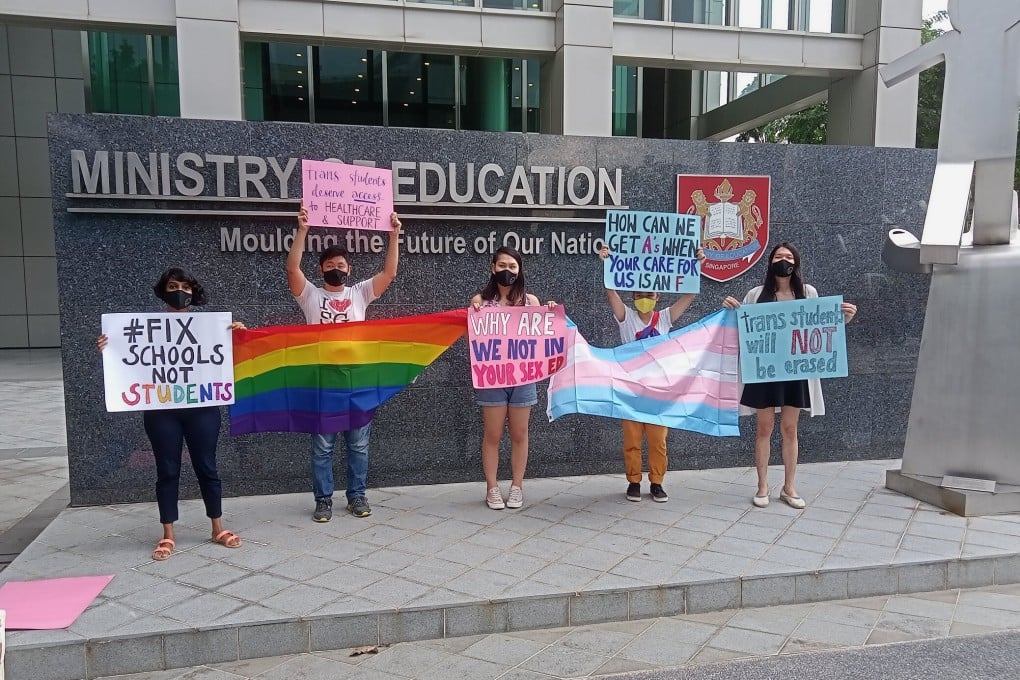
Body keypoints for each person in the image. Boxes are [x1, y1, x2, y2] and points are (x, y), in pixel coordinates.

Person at [97, 268, 244, 561]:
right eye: (174, 286)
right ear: (163, 291)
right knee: (167, 470)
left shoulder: (211, 327)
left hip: (202, 408)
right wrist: (110, 348)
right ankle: (168, 534)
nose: (180, 291)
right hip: (161, 411)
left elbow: (225, 360)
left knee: (207, 467)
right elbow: (130, 360)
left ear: (194, 292)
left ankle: (217, 527)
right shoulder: (142, 328)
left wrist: (239, 336)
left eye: (186, 287)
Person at [288, 203, 402, 521]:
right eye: (329, 264)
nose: (335, 268)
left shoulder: (359, 294)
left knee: (359, 443)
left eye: (341, 263)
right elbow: (291, 269)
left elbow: (389, 273)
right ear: (321, 270)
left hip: (358, 379)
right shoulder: (309, 295)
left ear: (349, 269)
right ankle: (323, 499)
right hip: (323, 378)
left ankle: (357, 495)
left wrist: (394, 235)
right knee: (322, 445)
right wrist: (302, 230)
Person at [722, 243, 856, 510]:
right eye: (778, 256)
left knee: (790, 428)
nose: (783, 260)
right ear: (770, 262)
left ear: (797, 263)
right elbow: (741, 330)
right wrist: (729, 312)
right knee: (764, 428)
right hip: (764, 371)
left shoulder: (808, 293)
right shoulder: (756, 294)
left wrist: (844, 319)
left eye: (789, 256)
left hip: (796, 371)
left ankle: (789, 486)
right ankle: (762, 485)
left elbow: (821, 330)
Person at [598, 245, 706, 503]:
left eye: (649, 292)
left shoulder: (665, 318)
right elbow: (610, 291)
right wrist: (606, 262)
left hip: (659, 392)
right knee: (632, 439)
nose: (643, 296)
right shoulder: (626, 317)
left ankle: (657, 482)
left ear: (658, 295)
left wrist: (697, 264)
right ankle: (634, 481)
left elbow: (690, 294)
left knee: (658, 441)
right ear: (633, 296)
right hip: (631, 390)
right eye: (639, 292)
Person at [470, 247, 556, 510]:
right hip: (492, 377)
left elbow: (543, 337)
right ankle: (492, 488)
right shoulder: (480, 302)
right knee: (493, 434)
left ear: (519, 270)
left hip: (523, 377)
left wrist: (549, 313)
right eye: (502, 265)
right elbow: (472, 343)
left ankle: (517, 486)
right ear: (492, 267)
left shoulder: (531, 302)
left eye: (512, 266)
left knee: (520, 433)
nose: (507, 271)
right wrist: (473, 318)